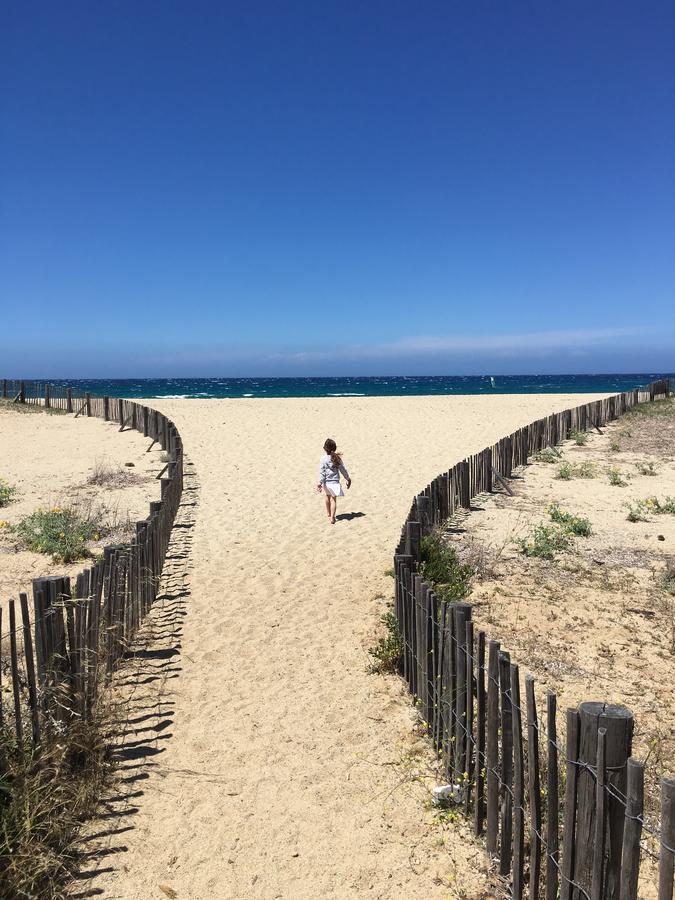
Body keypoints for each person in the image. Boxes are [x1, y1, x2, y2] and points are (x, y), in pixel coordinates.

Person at [317, 438, 351, 524]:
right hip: (335, 483)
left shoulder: (323, 459)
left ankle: (328, 514)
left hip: (326, 483)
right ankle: (332, 517)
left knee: (327, 497)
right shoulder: (337, 458)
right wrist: (347, 478)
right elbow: (343, 469)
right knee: (333, 500)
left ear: (324, 448)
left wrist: (320, 482)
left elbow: (322, 472)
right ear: (334, 448)